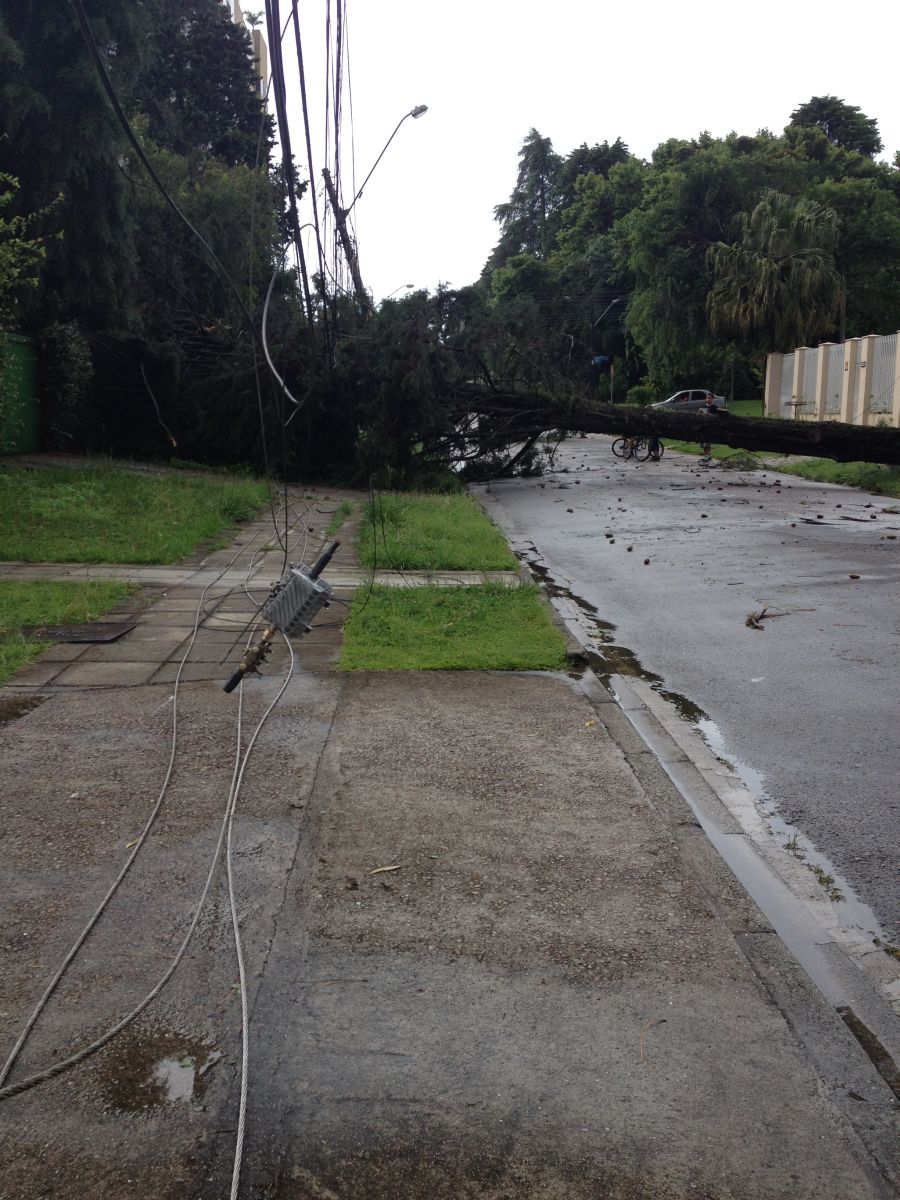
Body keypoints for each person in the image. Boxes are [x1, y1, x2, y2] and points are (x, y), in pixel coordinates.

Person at [699, 391, 717, 461]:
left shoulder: (715, 407)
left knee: (708, 443)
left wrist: (710, 415)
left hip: (710, 427)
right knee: (703, 443)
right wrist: (700, 413)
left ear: (712, 399)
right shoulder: (703, 406)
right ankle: (706, 456)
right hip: (703, 427)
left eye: (710, 398)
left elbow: (717, 417)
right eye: (707, 398)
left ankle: (709, 456)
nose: (708, 399)